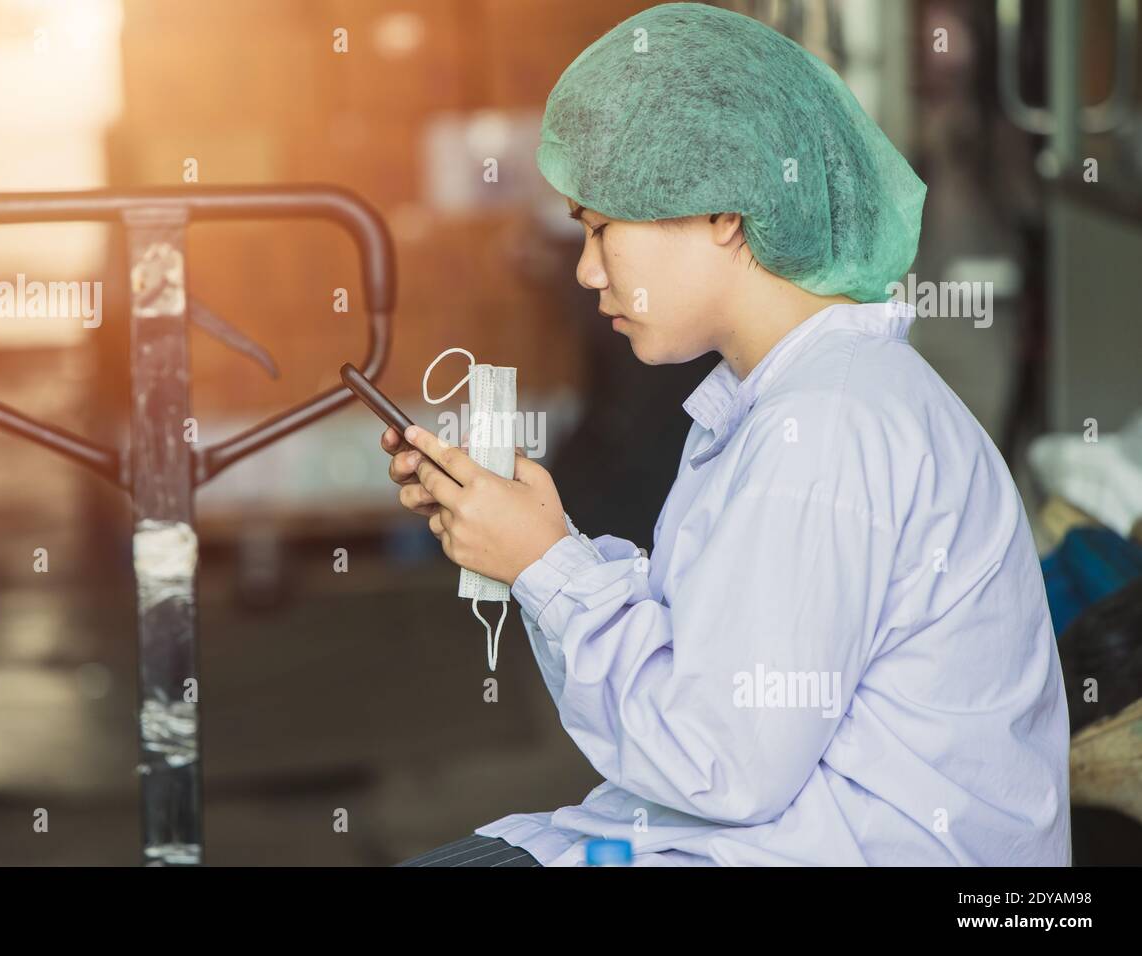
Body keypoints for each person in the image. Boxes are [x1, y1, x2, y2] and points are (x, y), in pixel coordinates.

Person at [388, 3, 1069, 866]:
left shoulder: (826, 428)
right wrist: (544, 544)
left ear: (724, 214)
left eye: (601, 229)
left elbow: (723, 762)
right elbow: (718, 683)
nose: (587, 270)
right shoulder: (795, 401)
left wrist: (543, 566)